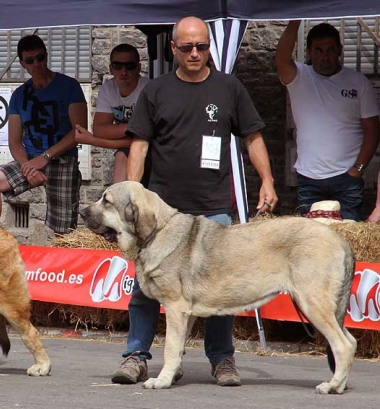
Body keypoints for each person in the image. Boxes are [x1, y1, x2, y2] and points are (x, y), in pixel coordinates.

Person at [114, 16, 278, 387]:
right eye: (186, 47)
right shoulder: (155, 91)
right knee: (145, 288)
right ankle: (136, 356)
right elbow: (138, 145)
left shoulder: (228, 88)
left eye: (201, 47)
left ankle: (222, 360)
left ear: (209, 48)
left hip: (213, 206)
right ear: (173, 49)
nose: (194, 53)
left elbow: (252, 137)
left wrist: (267, 180)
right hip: (162, 215)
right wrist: (131, 196)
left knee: (217, 289)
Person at [275, 21, 380, 221]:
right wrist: (295, 18)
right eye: (319, 50)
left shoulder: (358, 82)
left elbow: (373, 132)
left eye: (331, 50)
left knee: (350, 239)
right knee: (312, 243)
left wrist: (357, 170)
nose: (325, 56)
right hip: (309, 179)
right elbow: (281, 59)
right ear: (308, 53)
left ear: (340, 50)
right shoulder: (300, 77)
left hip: (347, 179)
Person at [0, 35, 87, 234]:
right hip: (30, 161)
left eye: (40, 57)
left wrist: (45, 157)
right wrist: (28, 166)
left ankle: (62, 264)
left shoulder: (69, 86)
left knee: (62, 231)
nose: (36, 64)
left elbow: (79, 131)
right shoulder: (19, 94)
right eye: (30, 60)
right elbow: (14, 140)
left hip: (62, 160)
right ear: (22, 64)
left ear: (46, 56)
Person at [75, 43, 150, 184]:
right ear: (110, 68)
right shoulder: (108, 89)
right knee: (122, 154)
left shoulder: (148, 89)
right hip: (128, 150)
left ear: (139, 68)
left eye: (130, 66)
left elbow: (141, 141)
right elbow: (100, 130)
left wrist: (92, 140)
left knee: (124, 154)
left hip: (153, 152)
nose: (124, 71)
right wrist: (133, 128)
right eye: (117, 65)